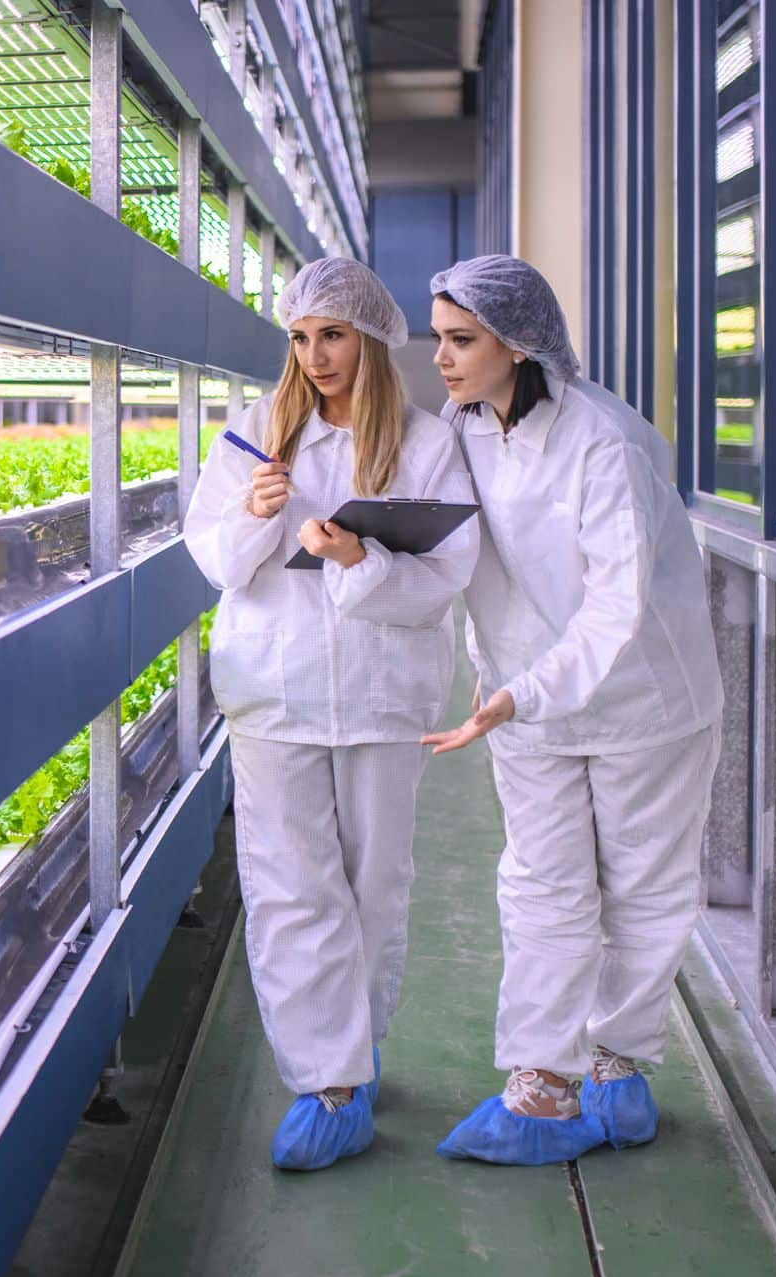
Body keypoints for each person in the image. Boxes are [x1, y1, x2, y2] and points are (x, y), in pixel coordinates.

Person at [420, 255, 724, 1165]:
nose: (439, 357)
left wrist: (522, 690)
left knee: (641, 891)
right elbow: (470, 558)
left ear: (519, 344)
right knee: (540, 885)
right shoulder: (463, 426)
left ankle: (618, 1068)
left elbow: (613, 606)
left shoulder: (604, 442)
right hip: (524, 705)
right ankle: (540, 1086)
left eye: (460, 340)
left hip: (645, 703)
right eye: (436, 337)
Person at [185, 256, 479, 1172]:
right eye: (301, 338)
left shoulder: (426, 444)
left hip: (385, 697)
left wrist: (358, 561)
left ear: (372, 339)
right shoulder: (248, 436)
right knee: (288, 888)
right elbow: (215, 560)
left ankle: (354, 1040)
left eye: (333, 336)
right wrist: (256, 516)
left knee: (371, 883)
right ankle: (329, 1085)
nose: (315, 355)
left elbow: (447, 577)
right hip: (273, 692)